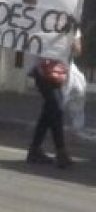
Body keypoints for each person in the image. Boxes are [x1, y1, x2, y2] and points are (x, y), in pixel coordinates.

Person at [27, 31, 83, 168]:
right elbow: (32, 43)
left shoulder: (73, 27)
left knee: (48, 111)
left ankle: (34, 149)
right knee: (56, 108)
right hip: (42, 71)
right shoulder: (45, 22)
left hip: (60, 73)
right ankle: (61, 152)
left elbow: (77, 51)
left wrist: (73, 43)